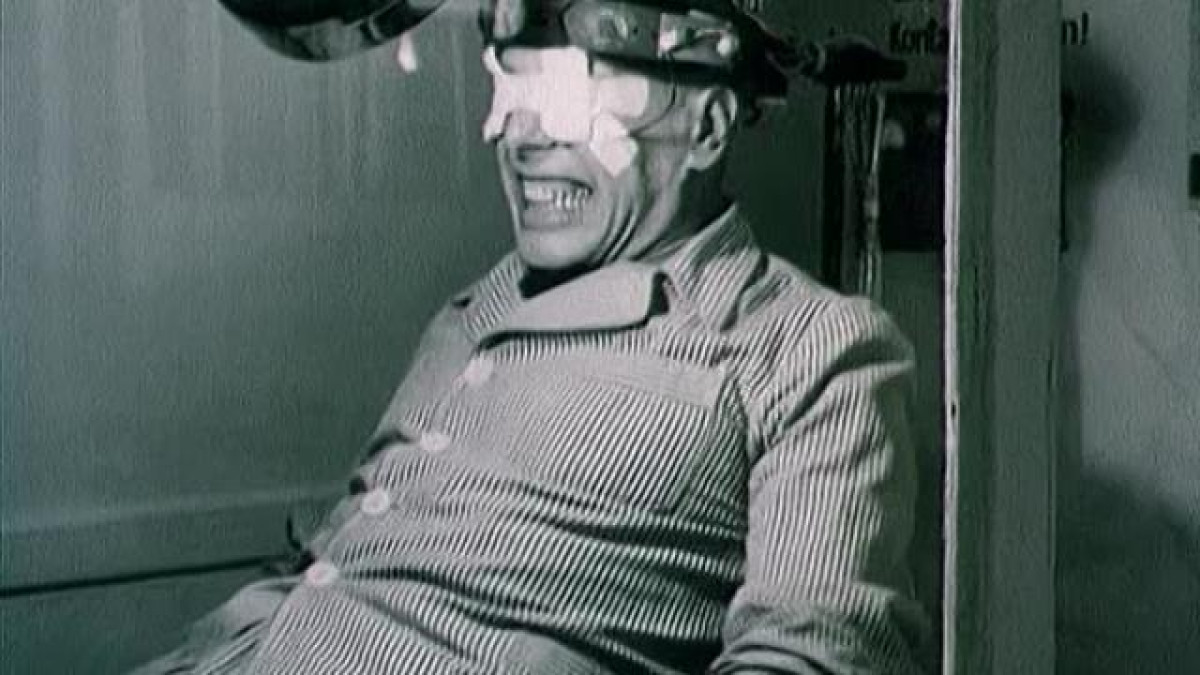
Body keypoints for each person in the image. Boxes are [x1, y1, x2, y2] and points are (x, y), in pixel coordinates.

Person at [134, 1, 930, 672]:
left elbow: (809, 658)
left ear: (708, 129)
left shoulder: (810, 348)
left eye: (571, 99)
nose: (522, 139)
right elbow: (355, 552)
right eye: (513, 92)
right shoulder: (474, 309)